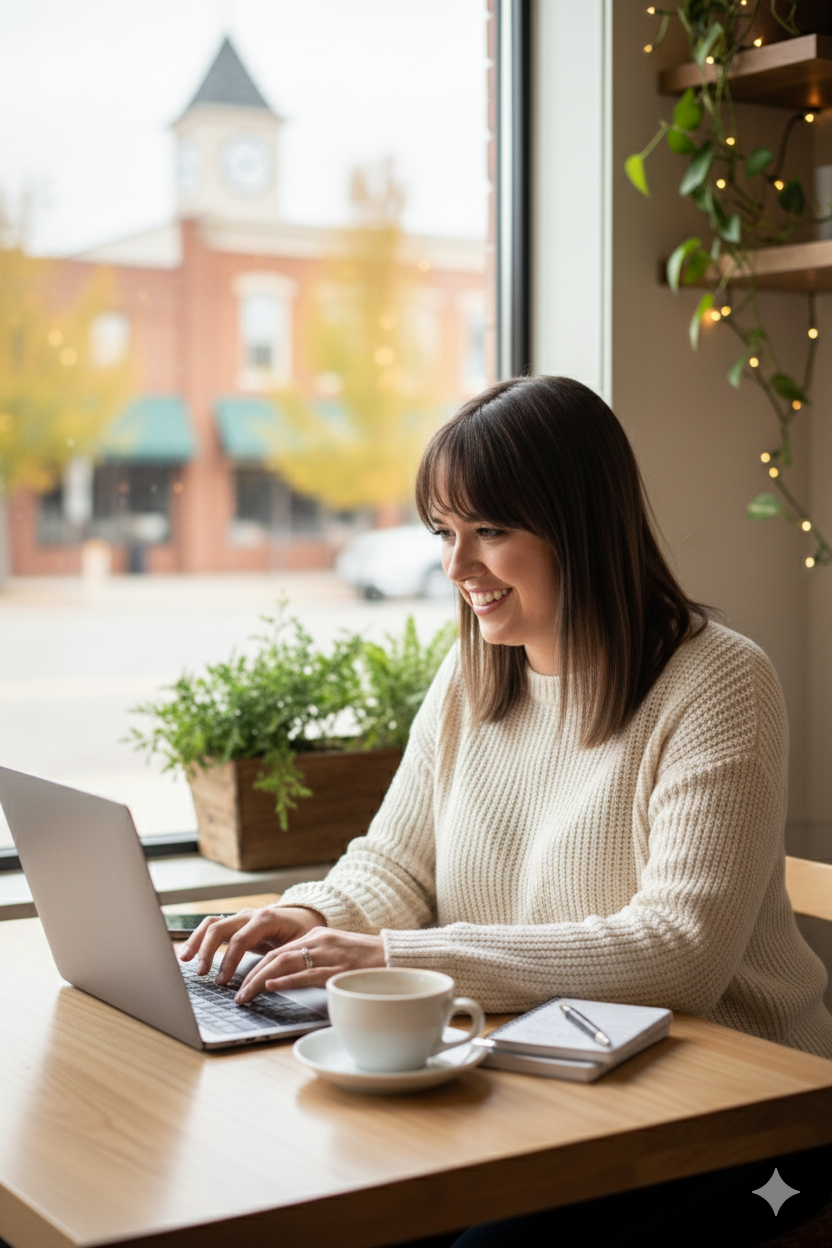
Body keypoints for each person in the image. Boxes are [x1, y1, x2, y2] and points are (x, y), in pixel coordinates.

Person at [182, 375, 832, 1246]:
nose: (458, 569)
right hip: (552, 1070)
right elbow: (398, 863)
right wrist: (307, 916)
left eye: (490, 531)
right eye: (445, 533)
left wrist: (391, 954)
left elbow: (680, 957)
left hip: (758, 1125)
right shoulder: (476, 675)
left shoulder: (718, 683)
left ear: (581, 528)